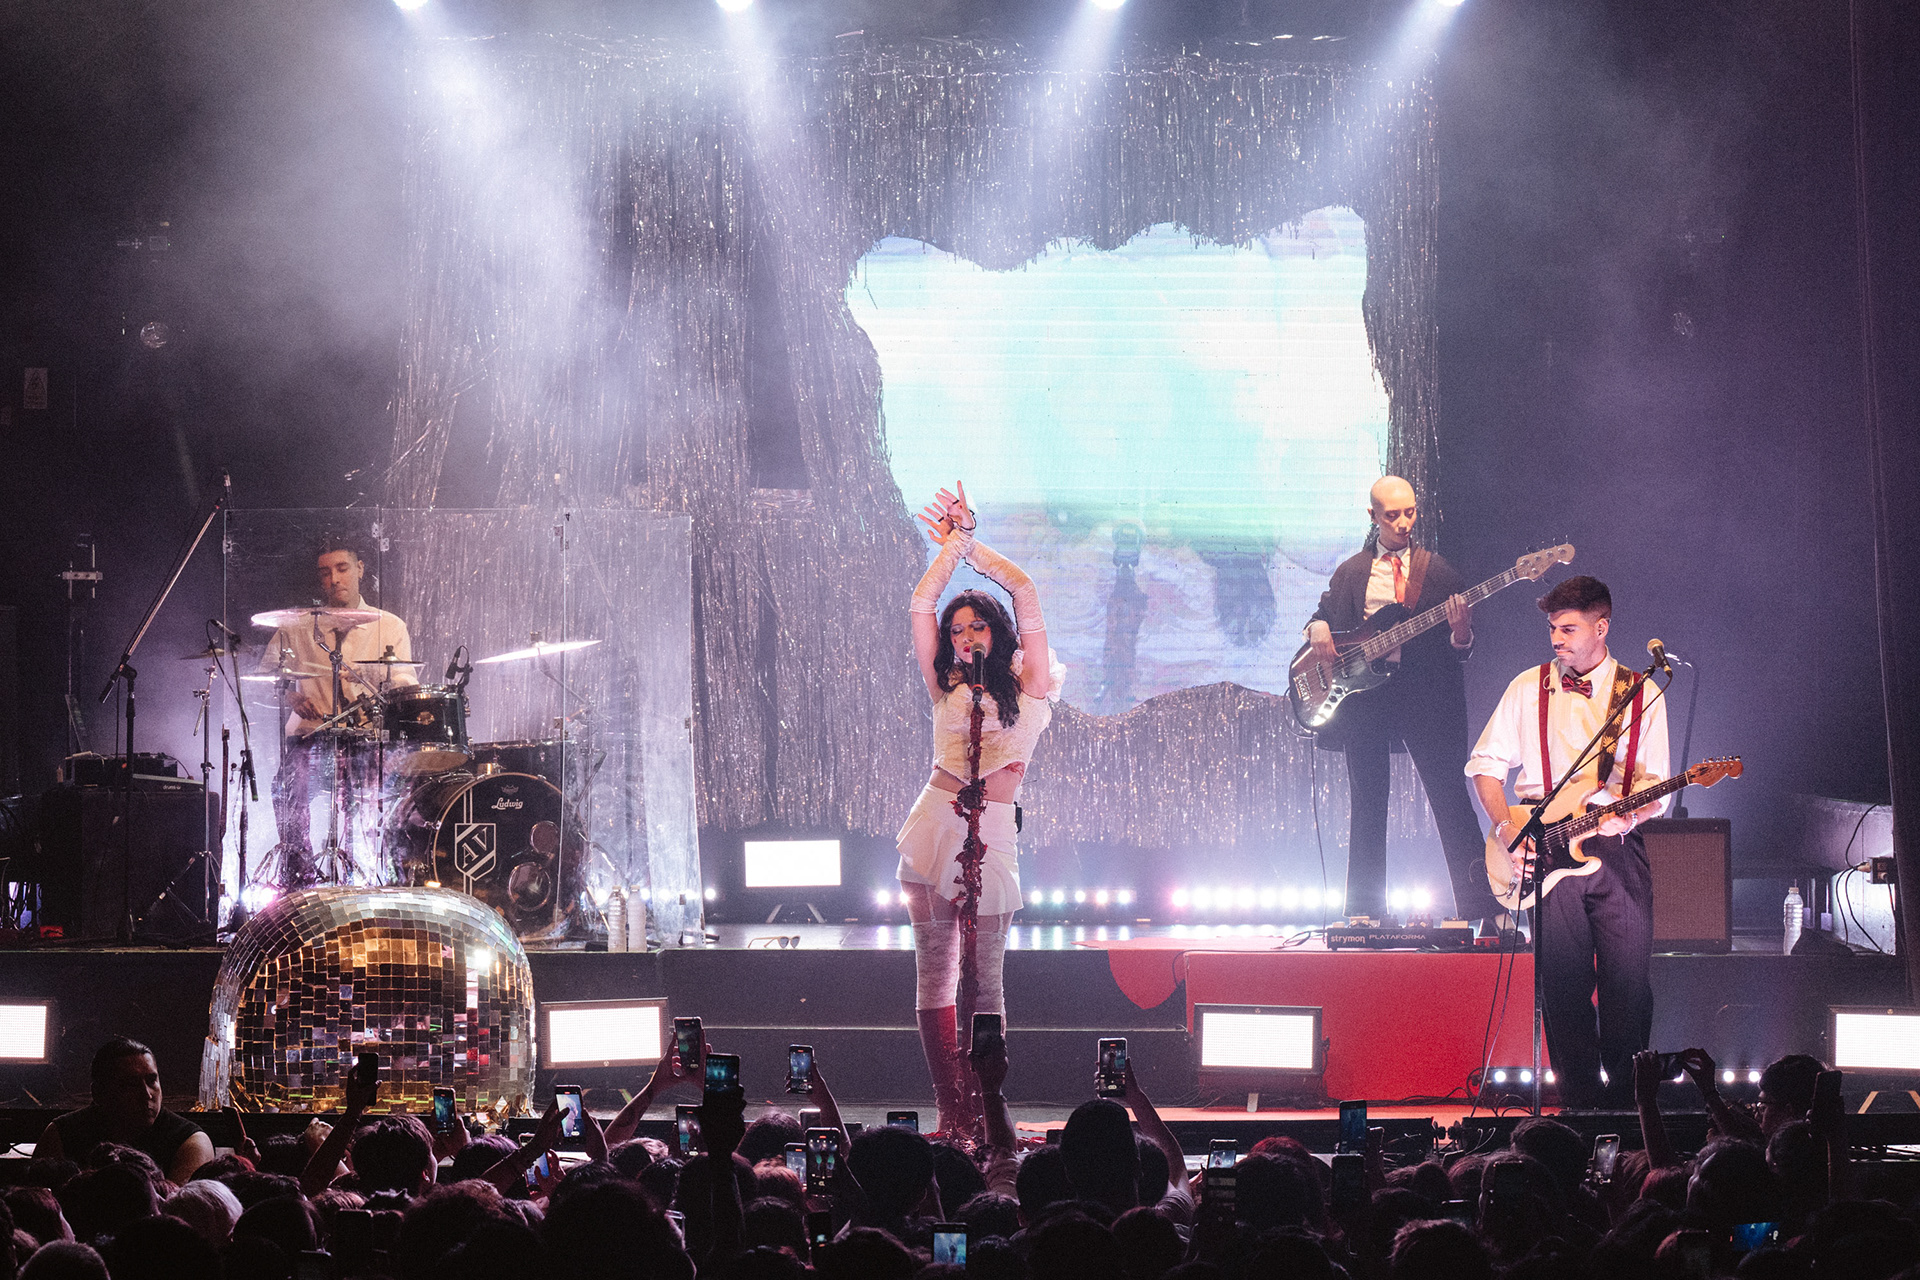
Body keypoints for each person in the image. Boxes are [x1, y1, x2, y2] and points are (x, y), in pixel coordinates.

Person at [1466, 574, 1670, 1109]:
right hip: (1542, 847)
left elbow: (1656, 789)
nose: (1556, 639)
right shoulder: (1526, 686)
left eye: (1568, 628)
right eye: (1553, 628)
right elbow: (1485, 767)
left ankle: (1626, 1107)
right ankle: (1579, 1107)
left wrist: (1627, 814)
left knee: (1629, 984)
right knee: (1562, 989)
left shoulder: (1642, 692)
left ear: (1601, 628)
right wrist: (1506, 830)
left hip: (1617, 850)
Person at [899, 482, 1064, 1138]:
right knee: (936, 977)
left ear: (997, 632)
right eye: (957, 629)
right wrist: (948, 552)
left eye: (977, 625)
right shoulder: (943, 683)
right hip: (934, 822)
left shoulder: (1033, 682)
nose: (966, 636)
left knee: (985, 983)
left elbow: (1024, 588)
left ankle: (989, 1114)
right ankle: (952, 1115)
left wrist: (969, 542)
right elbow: (921, 603)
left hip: (993, 830)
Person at [1304, 476, 1497, 924]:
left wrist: (1461, 633)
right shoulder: (1352, 571)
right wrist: (1317, 627)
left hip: (1426, 698)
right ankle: (1364, 912)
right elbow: (1323, 615)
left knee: (1450, 798)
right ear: (1372, 516)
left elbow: (1462, 649)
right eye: (1392, 515)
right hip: (1365, 700)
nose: (1404, 522)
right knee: (1367, 803)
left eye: (1410, 512)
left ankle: (1484, 907)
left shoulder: (1439, 571)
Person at [256, 539, 417, 885]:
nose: (334, 579)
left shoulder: (390, 626)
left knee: (374, 801)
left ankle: (366, 876)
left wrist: (367, 678)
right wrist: (290, 697)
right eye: (325, 573)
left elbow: (405, 684)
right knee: (285, 789)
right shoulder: (297, 627)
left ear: (360, 569)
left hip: (365, 739)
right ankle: (300, 873)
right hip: (313, 737)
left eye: (342, 569)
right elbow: (266, 675)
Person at [35, 1039, 213, 1185]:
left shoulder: (190, 1143)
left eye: (152, 1080)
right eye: (130, 1085)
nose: (146, 1094)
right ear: (99, 1093)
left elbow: (180, 1212)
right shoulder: (62, 1135)